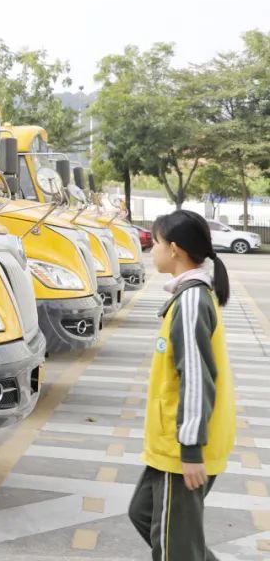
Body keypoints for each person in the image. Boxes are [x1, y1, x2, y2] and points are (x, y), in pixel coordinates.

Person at [128, 210, 235, 560]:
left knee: (175, 548)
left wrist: (191, 450)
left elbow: (196, 377)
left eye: (156, 243)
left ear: (174, 249)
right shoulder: (188, 295)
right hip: (169, 444)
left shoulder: (191, 302)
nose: (152, 250)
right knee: (145, 514)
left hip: (182, 447)